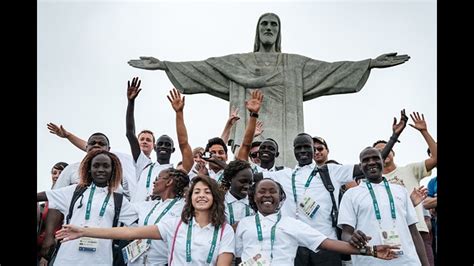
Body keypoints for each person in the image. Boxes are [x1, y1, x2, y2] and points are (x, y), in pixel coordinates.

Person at [128, 12, 410, 167]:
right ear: (257, 30)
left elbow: (331, 70)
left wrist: (370, 64)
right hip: (246, 142)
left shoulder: (294, 65)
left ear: (279, 32)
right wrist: (165, 65)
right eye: (264, 24)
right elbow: (204, 68)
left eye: (274, 25)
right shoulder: (237, 63)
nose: (268, 28)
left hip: (289, 145)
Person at [56, 176, 235, 266]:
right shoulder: (176, 224)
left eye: (207, 191)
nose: (201, 196)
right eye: (197, 192)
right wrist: (84, 231)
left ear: (215, 197)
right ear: (190, 197)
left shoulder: (225, 230)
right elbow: (130, 232)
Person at [235, 178, 400, 265]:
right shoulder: (243, 224)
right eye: (261, 191)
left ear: (280, 197)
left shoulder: (291, 223)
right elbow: (235, 256)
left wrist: (371, 251)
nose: (267, 195)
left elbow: (327, 243)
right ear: (253, 196)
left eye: (273, 191)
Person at [37, 150, 138, 265]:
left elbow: (137, 227)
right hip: (67, 259)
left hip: (100, 260)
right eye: (96, 165)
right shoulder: (74, 191)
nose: (100, 169)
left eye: (106, 166)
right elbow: (43, 196)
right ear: (89, 169)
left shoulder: (119, 200)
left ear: (112, 170)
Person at [337, 147, 429, 265]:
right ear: (360, 166)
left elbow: (414, 233)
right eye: (366, 160)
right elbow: (346, 233)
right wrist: (352, 238)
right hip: (370, 261)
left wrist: (426, 264)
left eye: (375, 158)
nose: (371, 162)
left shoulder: (400, 190)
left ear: (382, 161)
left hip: (407, 261)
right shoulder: (351, 194)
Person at [373, 111, 437, 265]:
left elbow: (435, 158)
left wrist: (424, 131)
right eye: (379, 151)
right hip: (392, 235)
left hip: (418, 231)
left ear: (393, 152)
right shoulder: (374, 181)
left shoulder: (410, 169)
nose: (383, 152)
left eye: (386, 149)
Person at [128, 168, 189, 265]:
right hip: (136, 262)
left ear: (169, 182)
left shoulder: (183, 208)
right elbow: (123, 207)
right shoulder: (149, 205)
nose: (154, 182)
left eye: (157, 178)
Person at [37, 162, 68, 266]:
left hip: (52, 251)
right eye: (54, 173)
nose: (57, 176)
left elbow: (64, 230)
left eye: (61, 173)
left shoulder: (67, 199)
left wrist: (47, 255)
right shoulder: (44, 203)